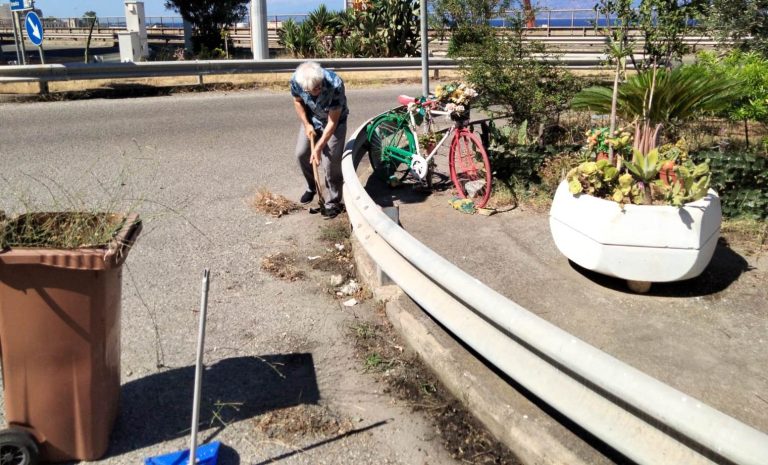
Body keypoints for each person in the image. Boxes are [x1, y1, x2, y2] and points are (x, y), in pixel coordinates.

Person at [290, 61, 349, 219]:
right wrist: (307, 124)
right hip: (312, 120)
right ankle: (312, 187)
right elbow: (297, 101)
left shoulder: (335, 84)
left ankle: (333, 201)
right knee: (301, 154)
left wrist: (318, 147)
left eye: (318, 87)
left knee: (330, 162)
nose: (316, 91)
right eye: (311, 90)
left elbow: (332, 122)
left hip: (334, 122)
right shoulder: (296, 80)